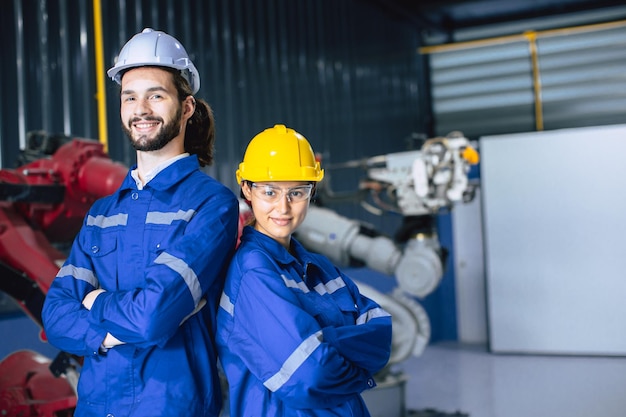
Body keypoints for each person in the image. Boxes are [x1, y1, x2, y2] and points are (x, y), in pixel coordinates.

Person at [42, 28, 239, 417]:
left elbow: (152, 317)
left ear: (186, 108)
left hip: (172, 407)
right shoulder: (101, 214)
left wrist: (94, 302)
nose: (141, 108)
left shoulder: (211, 204)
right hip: (98, 408)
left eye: (156, 95)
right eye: (129, 96)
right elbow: (56, 317)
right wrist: (117, 329)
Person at [216, 124, 392, 416]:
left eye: (297, 192)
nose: (283, 207)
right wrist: (356, 369)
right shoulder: (253, 271)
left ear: (312, 192)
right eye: (269, 192)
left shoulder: (319, 266)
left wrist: (325, 344)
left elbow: (381, 334)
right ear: (247, 189)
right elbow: (309, 374)